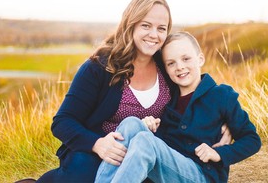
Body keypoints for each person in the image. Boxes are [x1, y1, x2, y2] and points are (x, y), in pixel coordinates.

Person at [17, 0, 230, 183]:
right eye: (146, 25)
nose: (154, 34)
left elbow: (194, 83)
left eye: (161, 28)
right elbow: (62, 122)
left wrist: (226, 120)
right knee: (83, 174)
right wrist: (97, 144)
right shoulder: (99, 67)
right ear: (131, 25)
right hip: (101, 150)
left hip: (147, 152)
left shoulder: (166, 65)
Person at [95, 31, 261, 183]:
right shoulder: (169, 99)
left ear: (200, 59)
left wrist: (218, 154)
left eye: (186, 59)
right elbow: (167, 145)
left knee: (145, 141)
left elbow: (252, 140)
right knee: (132, 123)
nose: (179, 67)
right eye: (171, 63)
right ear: (166, 69)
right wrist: (150, 127)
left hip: (202, 175)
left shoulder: (221, 95)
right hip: (171, 171)